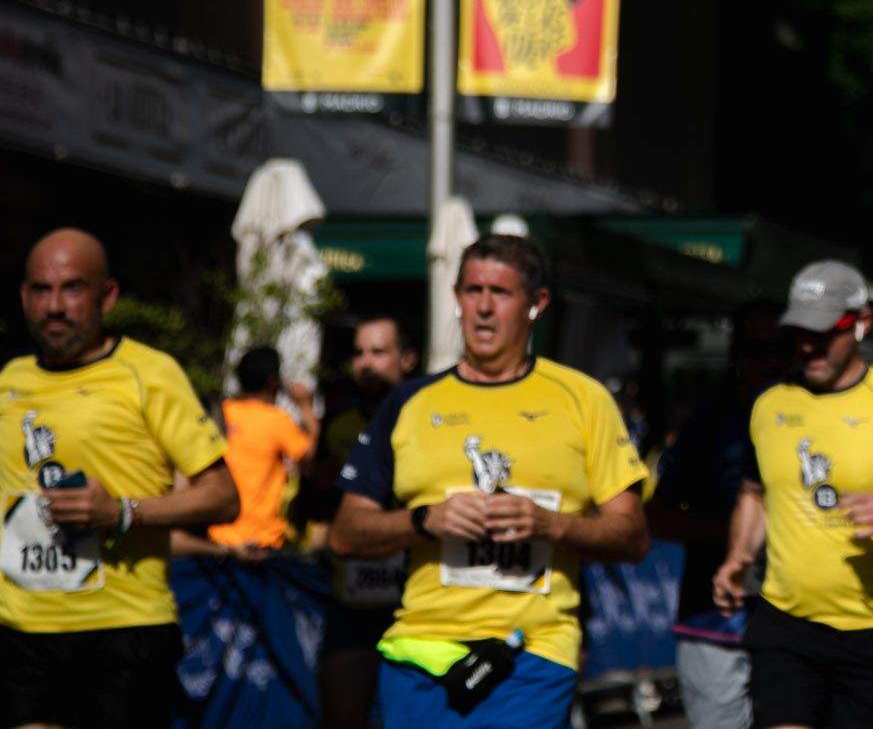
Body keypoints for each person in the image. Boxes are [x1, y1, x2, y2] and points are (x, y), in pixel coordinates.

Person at [331, 234, 650, 728]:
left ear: (536, 304)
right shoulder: (410, 403)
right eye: (472, 290)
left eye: (500, 293)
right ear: (456, 297)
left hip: (531, 654)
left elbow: (632, 536)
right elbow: (346, 533)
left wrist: (551, 524)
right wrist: (424, 520)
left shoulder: (582, 400)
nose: (482, 308)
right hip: (419, 651)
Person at [710, 261, 873, 729]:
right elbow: (755, 493)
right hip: (786, 623)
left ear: (862, 322)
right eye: (799, 332)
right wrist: (738, 557)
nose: (808, 345)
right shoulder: (769, 404)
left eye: (824, 332)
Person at [0, 228, 240, 729]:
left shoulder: (148, 373)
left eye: (72, 288)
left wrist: (122, 512)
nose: (55, 306)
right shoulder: (10, 379)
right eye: (42, 290)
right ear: (23, 297)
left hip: (121, 629)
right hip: (21, 628)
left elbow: (223, 497)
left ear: (107, 296)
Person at [647, 300, 783, 729]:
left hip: (800, 623)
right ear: (735, 354)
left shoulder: (822, 417)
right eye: (756, 350)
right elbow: (657, 516)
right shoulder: (708, 422)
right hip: (715, 619)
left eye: (780, 350)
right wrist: (735, 537)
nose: (769, 363)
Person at [317, 317, 419, 729]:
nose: (366, 363)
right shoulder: (337, 423)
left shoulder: (429, 417)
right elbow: (316, 509)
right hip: (352, 598)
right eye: (358, 353)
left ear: (407, 359)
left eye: (378, 352)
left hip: (413, 599)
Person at [206, 345, 316, 555]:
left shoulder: (221, 413)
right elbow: (310, 457)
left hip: (215, 538)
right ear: (273, 382)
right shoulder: (276, 420)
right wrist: (305, 407)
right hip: (259, 542)